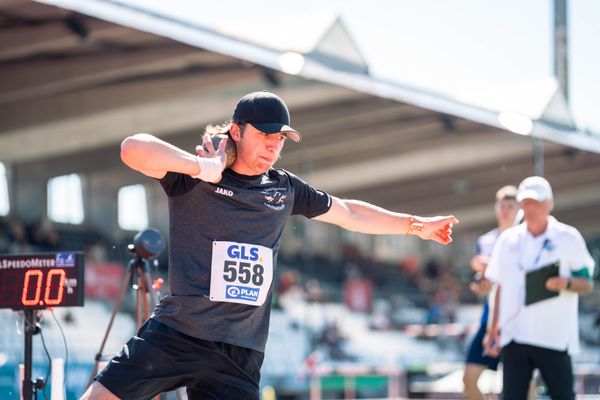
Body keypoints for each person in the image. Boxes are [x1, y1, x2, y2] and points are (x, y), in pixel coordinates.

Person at [81, 90, 459, 400]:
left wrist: (414, 225)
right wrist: (202, 169)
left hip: (240, 353)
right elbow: (133, 148)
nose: (272, 148)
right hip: (179, 333)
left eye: (279, 139)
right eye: (264, 136)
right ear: (236, 131)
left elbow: (348, 213)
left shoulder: (284, 188)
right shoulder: (194, 176)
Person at [484, 176, 595, 400]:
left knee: (563, 396)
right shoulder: (507, 240)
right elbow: (500, 287)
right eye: (526, 202)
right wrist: (493, 328)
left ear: (550, 203)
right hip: (515, 335)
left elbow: (587, 283)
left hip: (553, 336)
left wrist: (566, 283)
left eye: (536, 202)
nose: (530, 208)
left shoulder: (568, 237)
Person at [463, 185, 519, 400]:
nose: (505, 210)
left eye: (510, 206)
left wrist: (493, 265)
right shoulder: (485, 241)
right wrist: (481, 284)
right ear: (496, 208)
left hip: (517, 321)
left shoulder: (524, 239)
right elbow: (485, 283)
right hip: (489, 320)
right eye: (501, 205)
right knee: (469, 379)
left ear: (518, 209)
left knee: (524, 384)